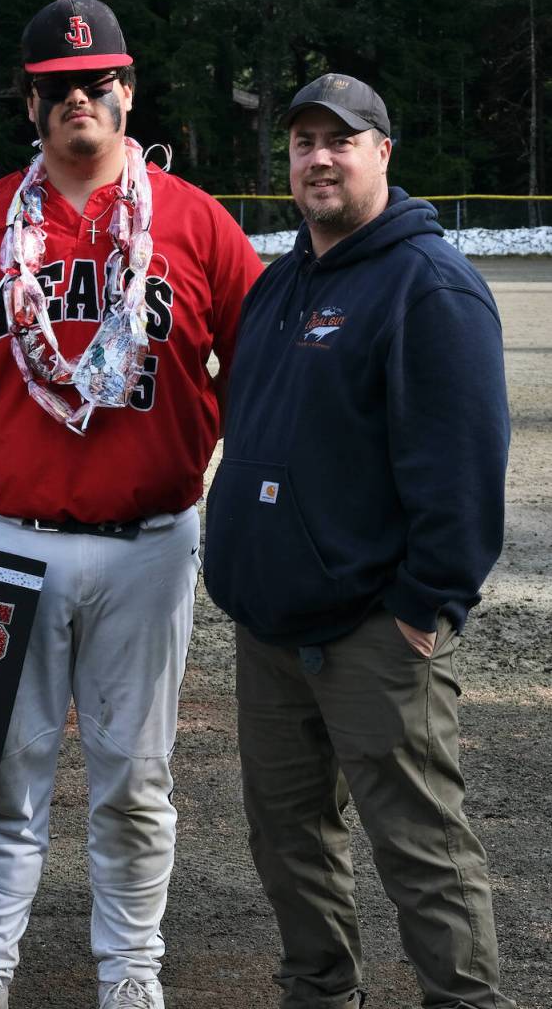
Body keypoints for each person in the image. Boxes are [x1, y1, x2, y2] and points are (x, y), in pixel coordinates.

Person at [0, 0, 261, 1008]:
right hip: (4, 536)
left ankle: (130, 974)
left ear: (128, 90)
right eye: (60, 86)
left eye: (99, 81)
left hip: (150, 540)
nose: (82, 99)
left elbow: (258, 383)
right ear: (30, 102)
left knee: (135, 782)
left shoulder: (199, 222)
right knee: (0, 782)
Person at [203, 73, 514, 1009]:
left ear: (382, 152)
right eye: (302, 142)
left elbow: (463, 466)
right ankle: (320, 992)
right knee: (287, 837)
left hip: (375, 631)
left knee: (420, 844)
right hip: (270, 629)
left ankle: (463, 1001)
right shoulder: (280, 282)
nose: (318, 158)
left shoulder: (430, 286)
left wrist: (426, 604)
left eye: (340, 140)